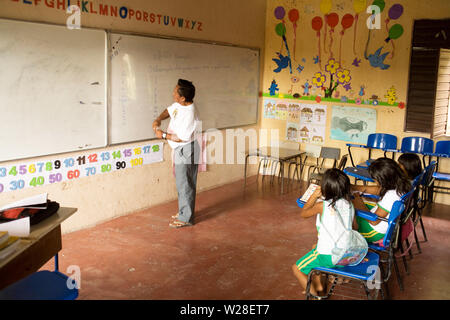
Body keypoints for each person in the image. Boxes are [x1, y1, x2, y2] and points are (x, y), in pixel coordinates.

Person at [292, 168, 355, 299]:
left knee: (297, 269)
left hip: (330, 255)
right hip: (347, 252)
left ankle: (314, 296)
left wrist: (314, 196)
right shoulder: (349, 204)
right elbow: (355, 227)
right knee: (314, 247)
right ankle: (318, 286)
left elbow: (304, 213)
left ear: (325, 188)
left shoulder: (323, 206)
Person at [152, 79, 200, 228]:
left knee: (185, 184)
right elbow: (169, 110)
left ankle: (186, 218)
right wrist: (158, 119)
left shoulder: (189, 113)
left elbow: (182, 138)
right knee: (181, 182)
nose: (173, 94)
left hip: (186, 148)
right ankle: (184, 212)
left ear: (183, 98)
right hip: (181, 149)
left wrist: (163, 135)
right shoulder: (179, 105)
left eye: (175, 92)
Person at [352, 158, 411, 243]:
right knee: (358, 202)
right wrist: (355, 188)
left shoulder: (391, 195)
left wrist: (358, 202)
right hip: (384, 222)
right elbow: (379, 190)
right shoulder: (402, 185)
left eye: (376, 180)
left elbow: (374, 221)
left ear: (384, 180)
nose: (375, 182)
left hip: (373, 231)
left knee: (347, 214)